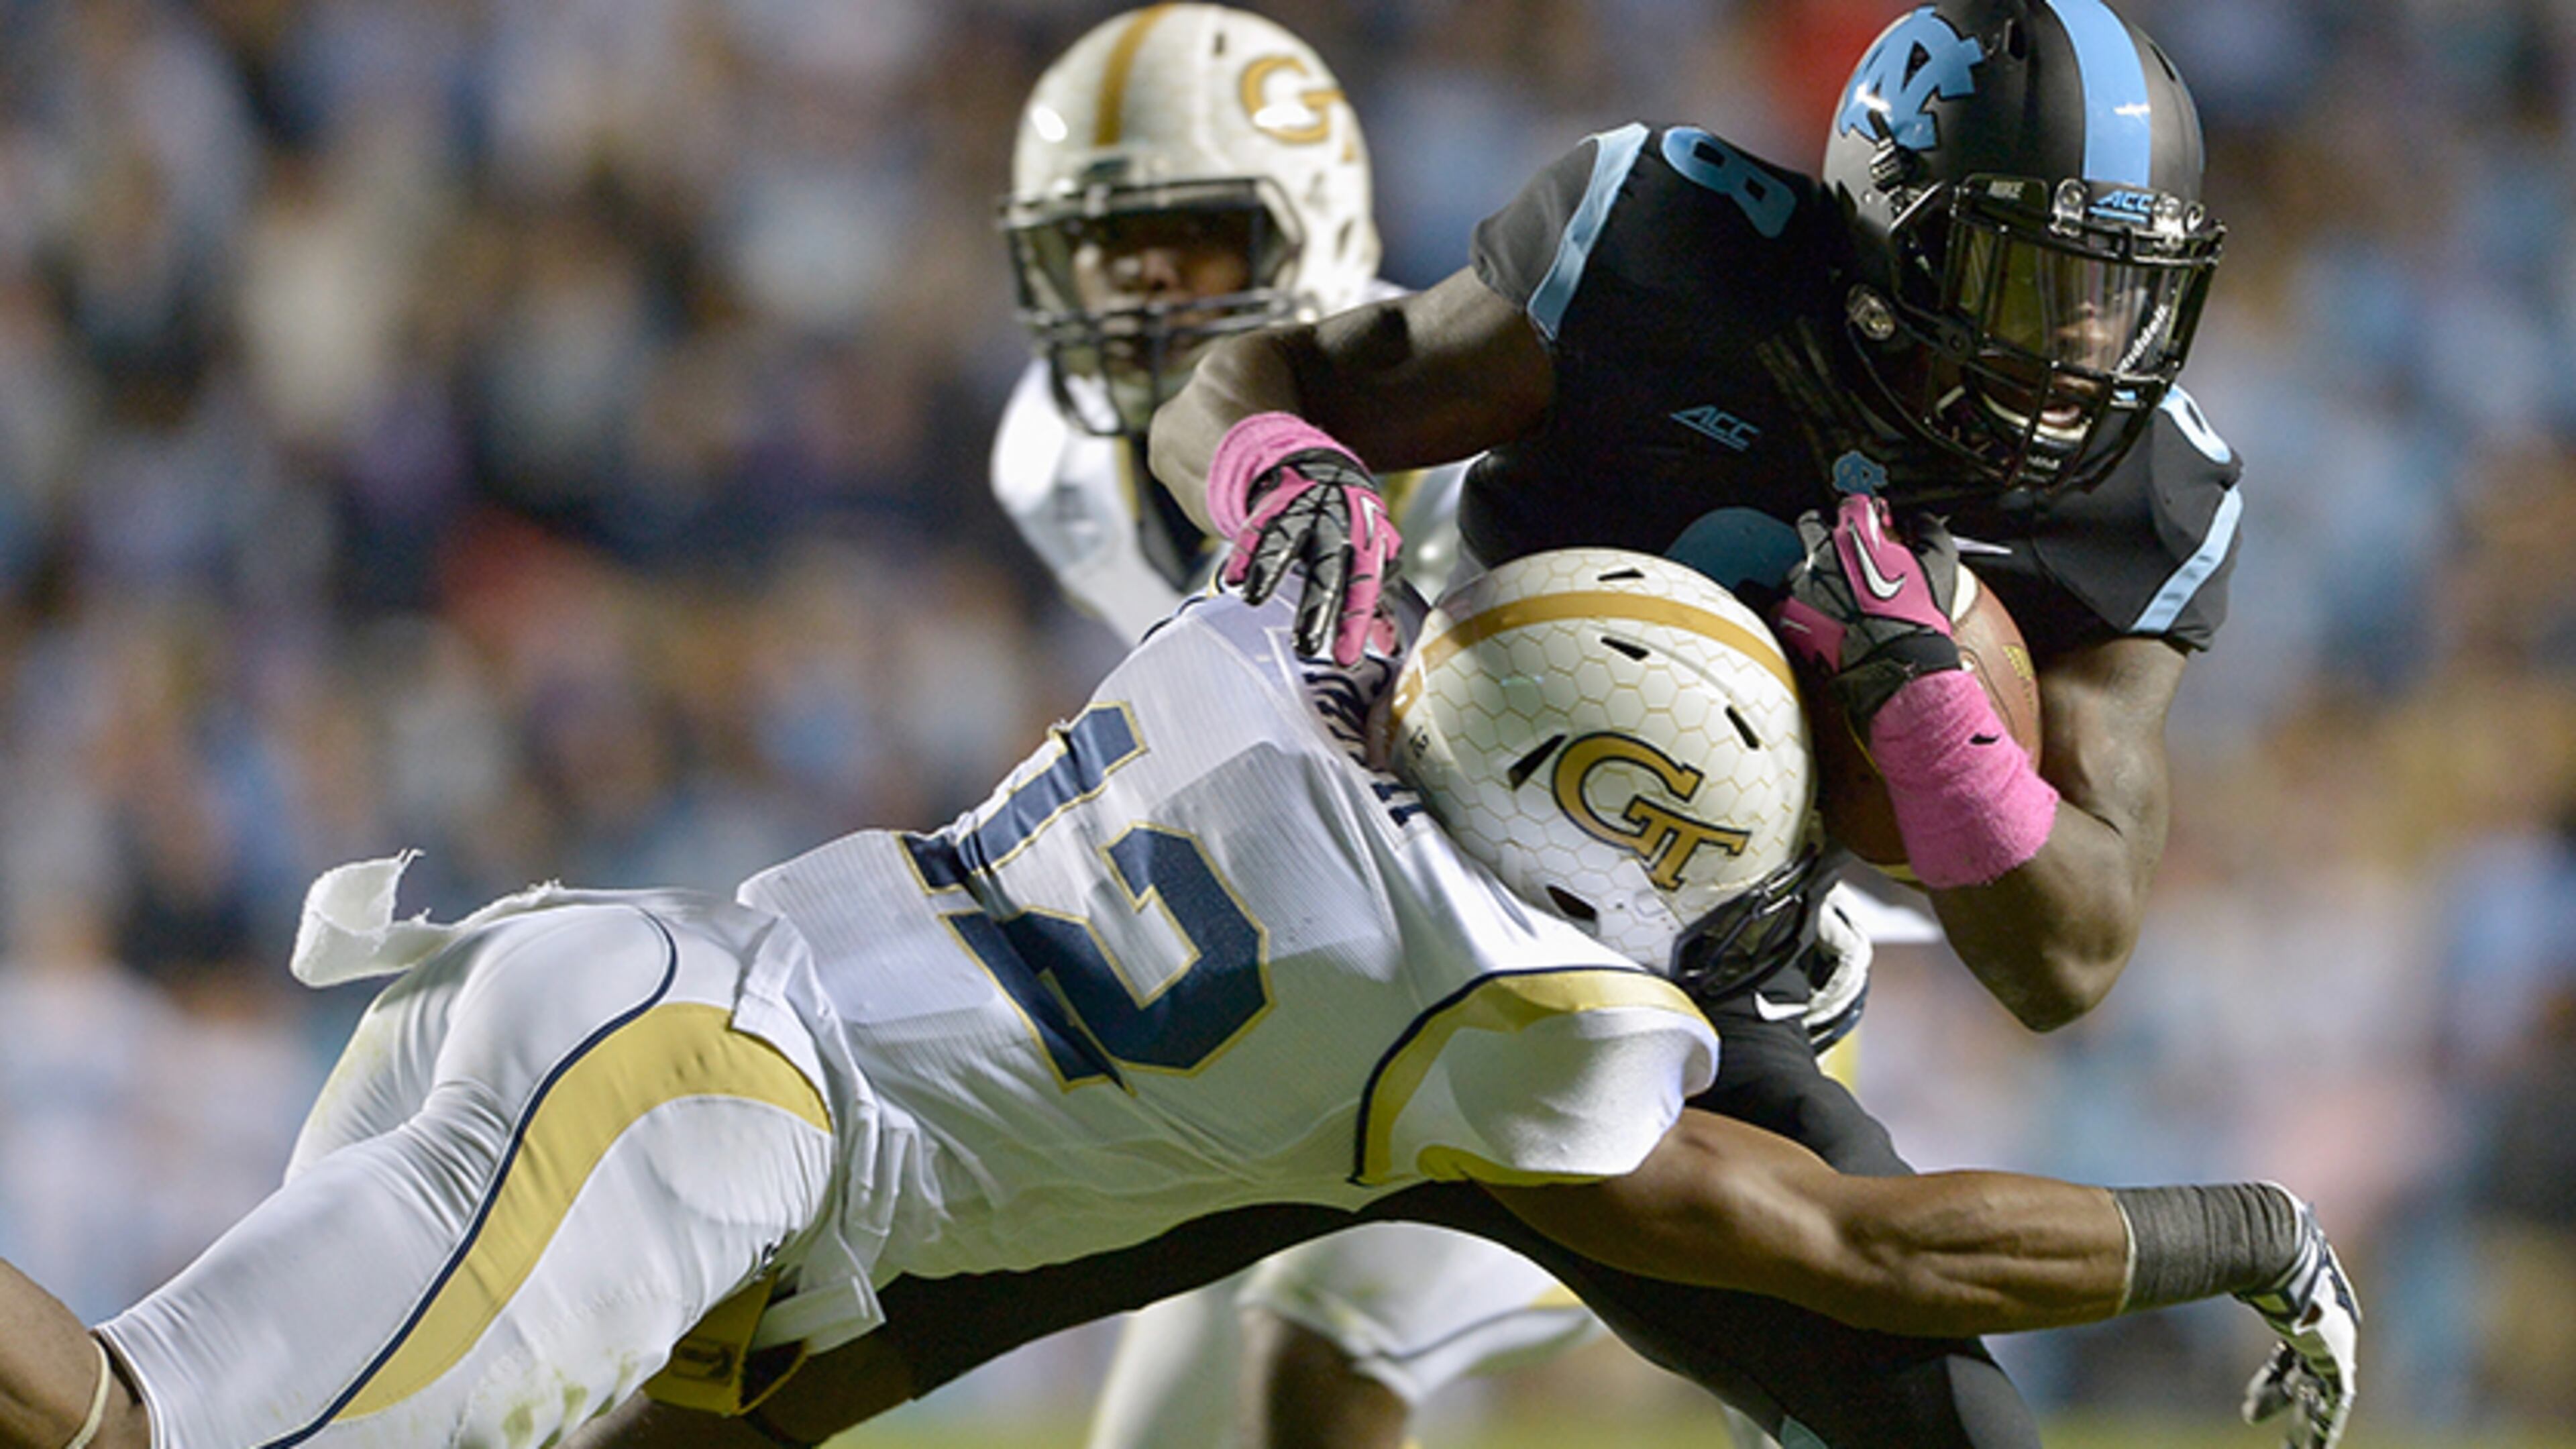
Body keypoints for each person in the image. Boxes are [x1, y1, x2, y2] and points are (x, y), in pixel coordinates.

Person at [0, 555, 2357, 1449]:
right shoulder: (1513, 1000)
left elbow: (1286, 481)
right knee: (143, 1440)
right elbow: (1869, 1246)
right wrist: (2236, 1233)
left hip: (648, 1028)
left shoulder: (1277, 650)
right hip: (701, 1105)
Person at [1118, 0, 2241, 1440]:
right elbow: (1248, 387)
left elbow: (2067, 954)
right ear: (1893, 227)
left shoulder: (2146, 495)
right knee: (951, 1274)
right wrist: (1281, 473)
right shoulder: (1663, 253)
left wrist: (1926, 707)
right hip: (1387, 861)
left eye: (2120, 287)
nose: (2083, 343)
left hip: (1689, 979)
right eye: (2031, 279)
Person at [990, 9, 1637, 1448]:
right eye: (1105, 247)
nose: (1144, 286)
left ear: (1313, 232)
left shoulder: (1464, 431)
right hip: (1342, 981)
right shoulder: (1057, 458)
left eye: (1198, 236)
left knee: (1323, 1358)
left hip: (1595, 971)